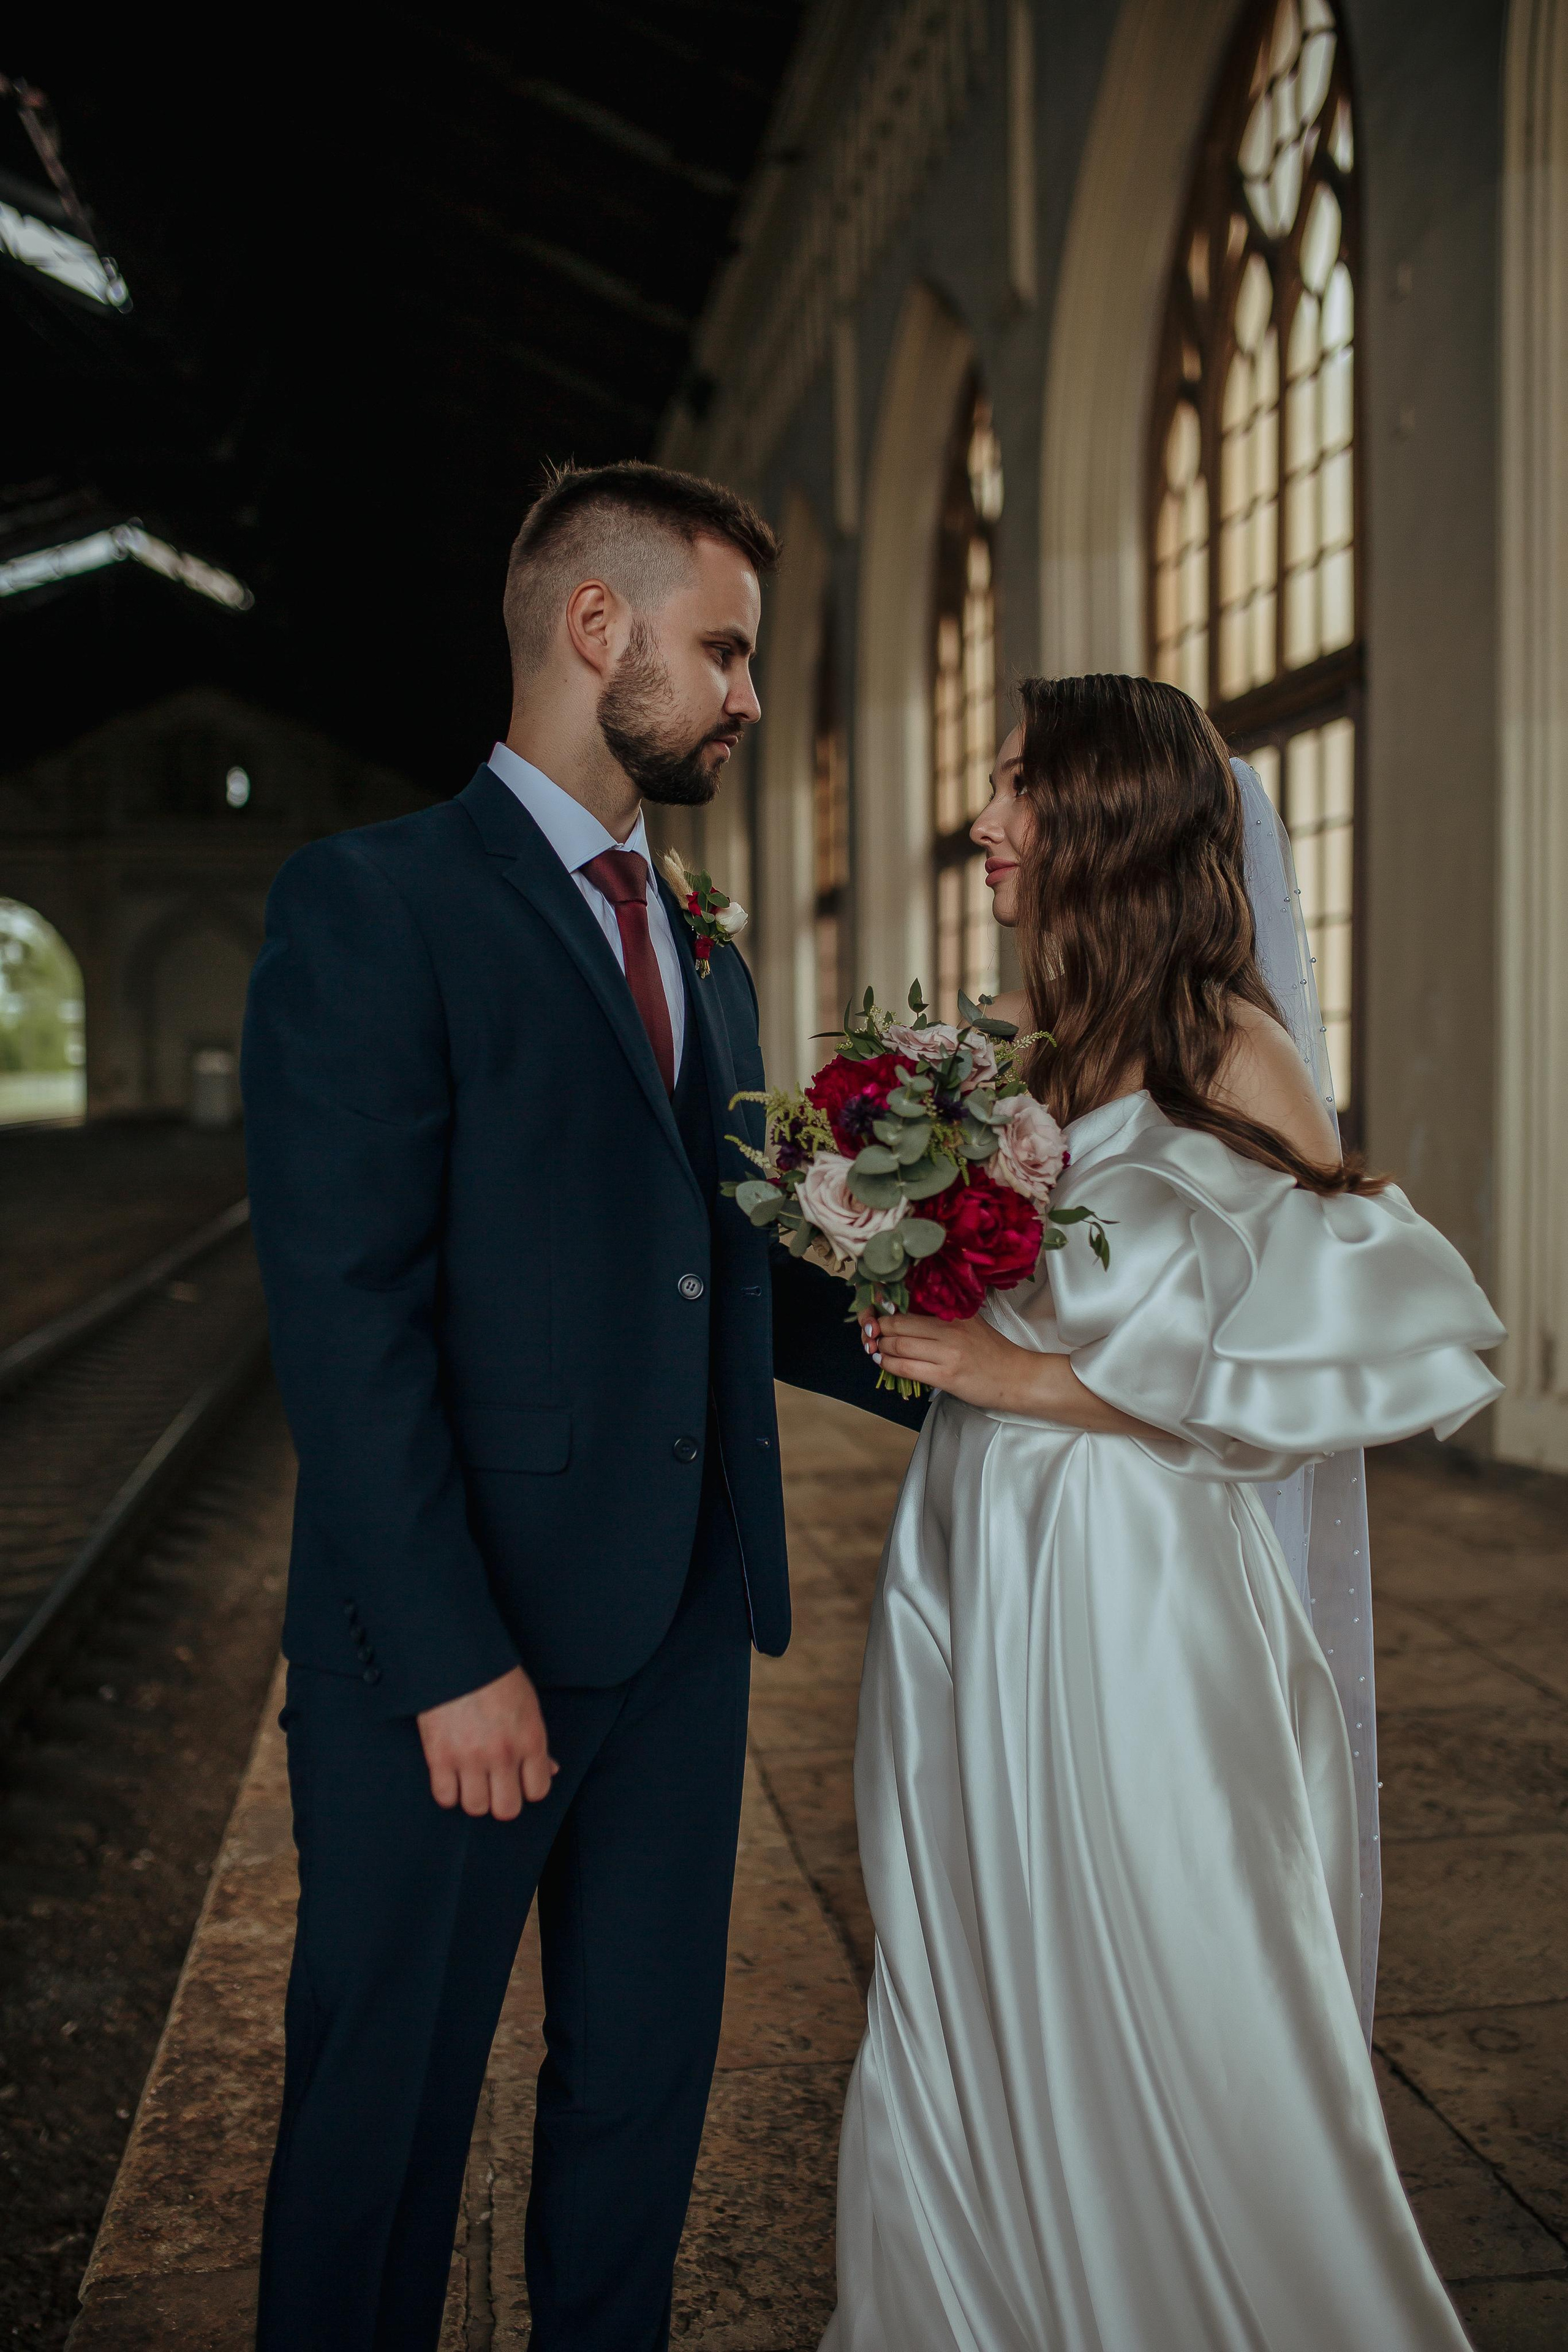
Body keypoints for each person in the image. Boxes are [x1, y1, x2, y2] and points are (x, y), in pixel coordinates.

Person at [241, 461, 912, 2352]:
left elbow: (725, 1265)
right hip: (455, 1666)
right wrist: (452, 1658)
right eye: (726, 653)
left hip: (684, 1631)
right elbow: (348, 1316)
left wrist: (985, 1372)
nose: (747, 699)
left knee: (637, 2111)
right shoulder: (372, 906)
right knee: (382, 2132)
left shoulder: (705, 948)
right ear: (594, 628)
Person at [826, 674, 1501, 2351]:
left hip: (1134, 1586)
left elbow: (1335, 1356)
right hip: (983, 1556)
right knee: (977, 1941)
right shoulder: (1048, 1047)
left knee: (1162, 1952)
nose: (984, 824)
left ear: (1111, 821)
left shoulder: (1235, 1051)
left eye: (1018, 790)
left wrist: (1021, 1378)